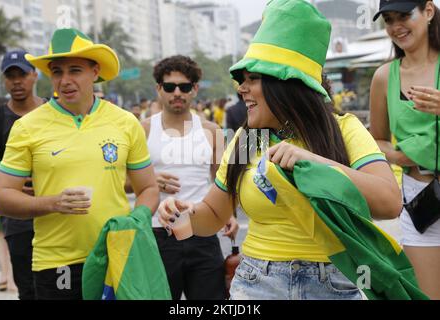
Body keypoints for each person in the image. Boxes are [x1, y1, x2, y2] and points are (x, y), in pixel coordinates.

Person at [158, 0, 403, 300]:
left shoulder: (343, 130)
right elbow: (212, 215)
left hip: (335, 285)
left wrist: (316, 163)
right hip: (255, 284)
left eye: (253, 79)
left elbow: (389, 202)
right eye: (241, 80)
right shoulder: (248, 139)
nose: (241, 89)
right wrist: (185, 213)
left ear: (288, 84)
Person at [0, 28, 159, 300]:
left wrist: (135, 221)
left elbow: (149, 188)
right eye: (57, 72)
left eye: (75, 70)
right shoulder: (27, 127)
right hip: (57, 263)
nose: (65, 80)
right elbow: (1, 199)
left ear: (95, 72)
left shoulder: (126, 122)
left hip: (114, 257)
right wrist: (53, 203)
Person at [142, 55, 238, 300]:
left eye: (184, 87)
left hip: (202, 232)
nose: (177, 93)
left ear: (194, 89)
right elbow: (121, 181)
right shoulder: (142, 129)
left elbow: (222, 182)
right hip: (157, 234)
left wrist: (229, 216)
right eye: (169, 86)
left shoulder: (211, 130)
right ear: (158, 89)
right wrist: (150, 180)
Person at [370, 0, 440, 299]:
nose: (396, 26)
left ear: (428, 11)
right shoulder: (384, 77)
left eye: (404, 16)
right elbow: (376, 141)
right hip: (420, 199)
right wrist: (400, 156)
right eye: (388, 19)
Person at [0, 50, 45, 299]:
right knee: (28, 288)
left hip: (57, 216)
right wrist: (12, 187)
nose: (16, 81)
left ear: (34, 75)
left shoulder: (53, 111)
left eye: (21, 74)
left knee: (62, 286)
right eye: (10, 76)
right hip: (18, 220)